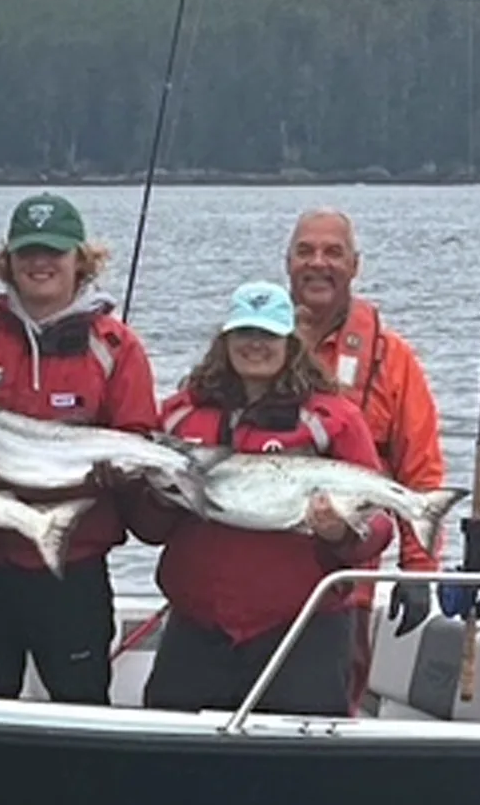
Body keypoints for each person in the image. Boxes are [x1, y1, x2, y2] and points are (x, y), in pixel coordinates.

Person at [124, 280, 394, 716]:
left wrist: (340, 533)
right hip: (196, 628)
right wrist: (158, 497)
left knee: (298, 769)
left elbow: (379, 525)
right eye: (245, 333)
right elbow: (148, 529)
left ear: (290, 342)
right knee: (177, 763)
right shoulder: (179, 415)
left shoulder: (335, 419)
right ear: (225, 340)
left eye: (268, 335)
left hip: (304, 630)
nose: (255, 345)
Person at [0, 192, 159, 705]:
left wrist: (122, 472)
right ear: (7, 261)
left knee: (82, 712)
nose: (40, 263)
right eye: (28, 251)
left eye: (54, 251)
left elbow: (138, 435)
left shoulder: (117, 347)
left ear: (81, 260)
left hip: (75, 570)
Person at [286, 207, 446, 711]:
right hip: (248, 576)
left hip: (343, 586)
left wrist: (418, 570)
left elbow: (420, 469)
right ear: (287, 263)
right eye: (306, 251)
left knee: (328, 712)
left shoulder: (392, 360)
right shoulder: (249, 347)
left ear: (355, 266)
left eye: (333, 252)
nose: (318, 263)